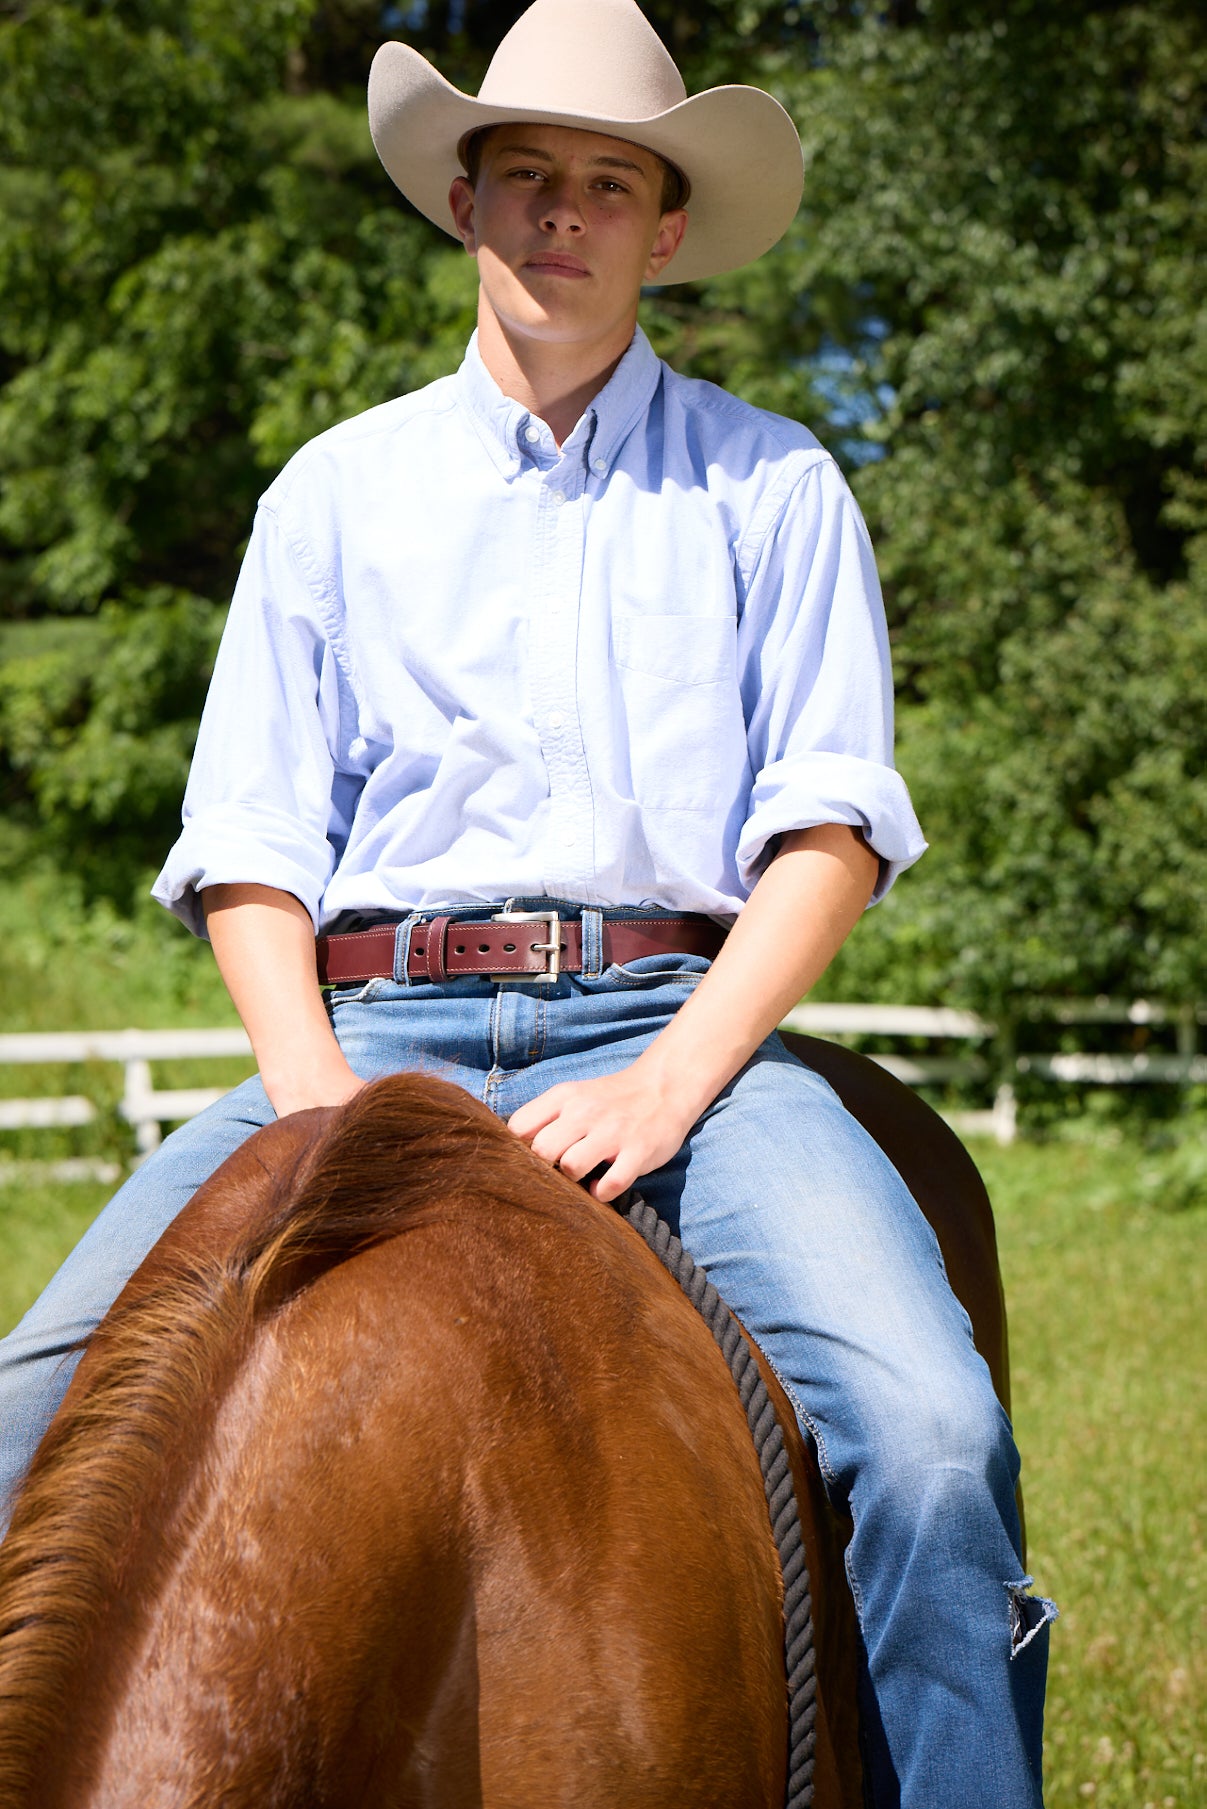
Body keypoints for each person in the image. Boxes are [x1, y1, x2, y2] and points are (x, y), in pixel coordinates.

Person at [0, 0, 1054, 1799]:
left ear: (662, 226)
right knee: (20, 1421)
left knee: (935, 1435)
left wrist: (669, 1085)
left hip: (675, 1026)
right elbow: (250, 844)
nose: (564, 214)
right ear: (467, 203)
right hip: (368, 1026)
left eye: (607, 183)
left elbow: (830, 834)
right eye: (528, 177)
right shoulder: (332, 493)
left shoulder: (774, 484)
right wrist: (319, 1099)